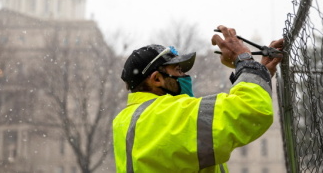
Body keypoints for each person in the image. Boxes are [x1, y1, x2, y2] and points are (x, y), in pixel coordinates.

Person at [113, 25, 284, 172]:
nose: (185, 76)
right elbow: (251, 109)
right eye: (178, 70)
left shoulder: (126, 120)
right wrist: (245, 60)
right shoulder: (164, 114)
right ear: (157, 79)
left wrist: (259, 74)